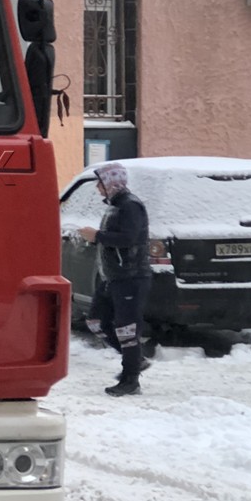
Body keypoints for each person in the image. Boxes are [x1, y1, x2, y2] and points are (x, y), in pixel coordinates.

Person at [80, 161, 151, 396]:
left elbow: (129, 238)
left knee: (127, 329)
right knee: (96, 321)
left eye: (99, 183)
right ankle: (135, 359)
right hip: (111, 277)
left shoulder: (130, 206)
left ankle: (131, 379)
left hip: (130, 276)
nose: (97, 188)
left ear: (111, 183)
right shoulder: (115, 206)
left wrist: (97, 235)